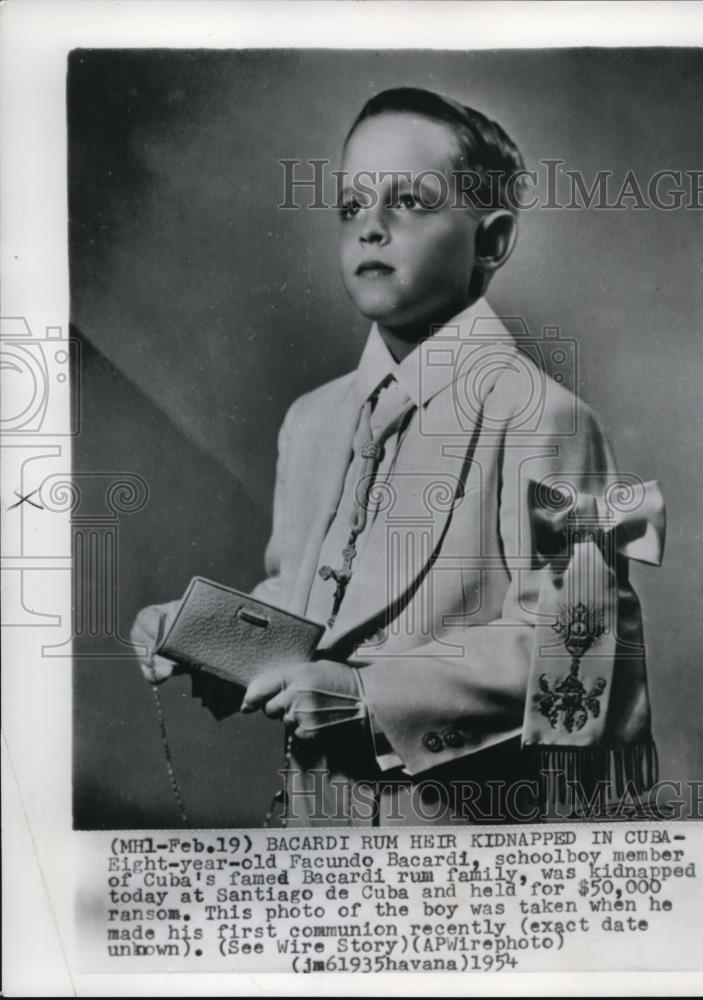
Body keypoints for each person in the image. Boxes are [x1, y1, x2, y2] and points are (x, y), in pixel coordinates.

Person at [132, 87, 665, 827]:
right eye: (350, 207)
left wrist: (369, 699)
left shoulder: (548, 419)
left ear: (493, 240)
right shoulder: (313, 420)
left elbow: (577, 652)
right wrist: (205, 636)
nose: (371, 229)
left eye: (409, 201)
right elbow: (310, 602)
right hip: (317, 824)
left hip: (463, 840)